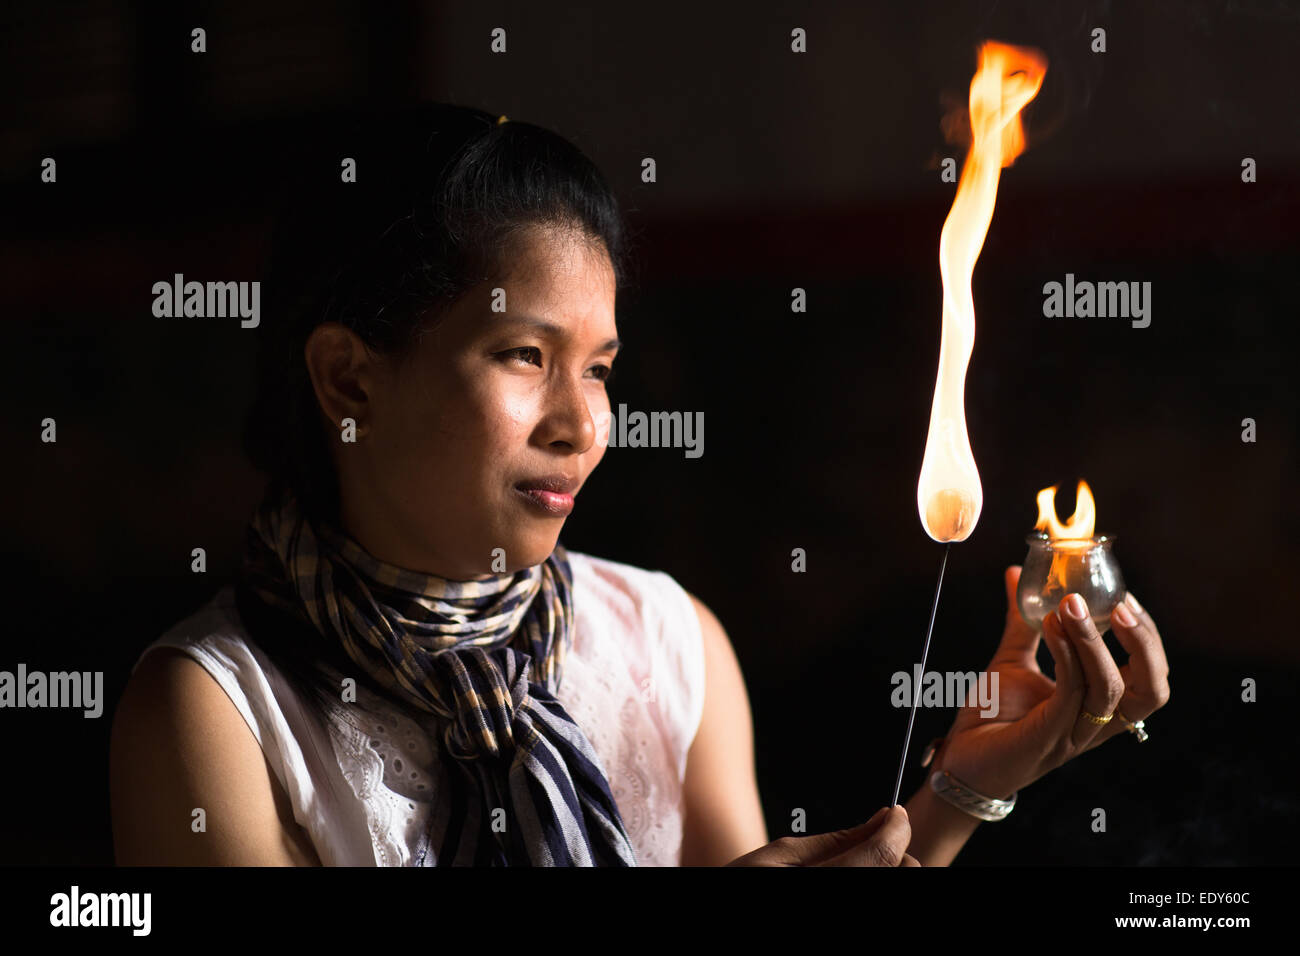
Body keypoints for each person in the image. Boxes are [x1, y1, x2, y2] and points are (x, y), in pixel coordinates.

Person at [108, 102, 1170, 867]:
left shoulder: (665, 641)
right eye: (524, 355)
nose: (581, 424)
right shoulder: (216, 706)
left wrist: (963, 785)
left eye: (602, 368)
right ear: (350, 376)